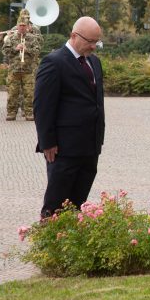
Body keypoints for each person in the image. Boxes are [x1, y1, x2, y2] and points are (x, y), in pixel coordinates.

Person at [34, 16, 105, 218]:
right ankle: (48, 235)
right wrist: (47, 142)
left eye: (97, 41)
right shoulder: (54, 62)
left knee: (77, 205)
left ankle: (72, 235)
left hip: (90, 147)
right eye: (90, 41)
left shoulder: (94, 62)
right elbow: (42, 106)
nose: (93, 46)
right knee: (56, 205)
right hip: (64, 149)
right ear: (74, 36)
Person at [2, 9, 43, 121]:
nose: (22, 28)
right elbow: (5, 51)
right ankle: (11, 113)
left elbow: (38, 51)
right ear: (17, 26)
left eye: (24, 26)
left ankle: (29, 113)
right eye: (20, 25)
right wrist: (15, 49)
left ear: (27, 26)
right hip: (14, 70)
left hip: (28, 70)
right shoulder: (11, 38)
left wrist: (27, 49)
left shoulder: (32, 38)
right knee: (12, 93)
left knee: (29, 93)